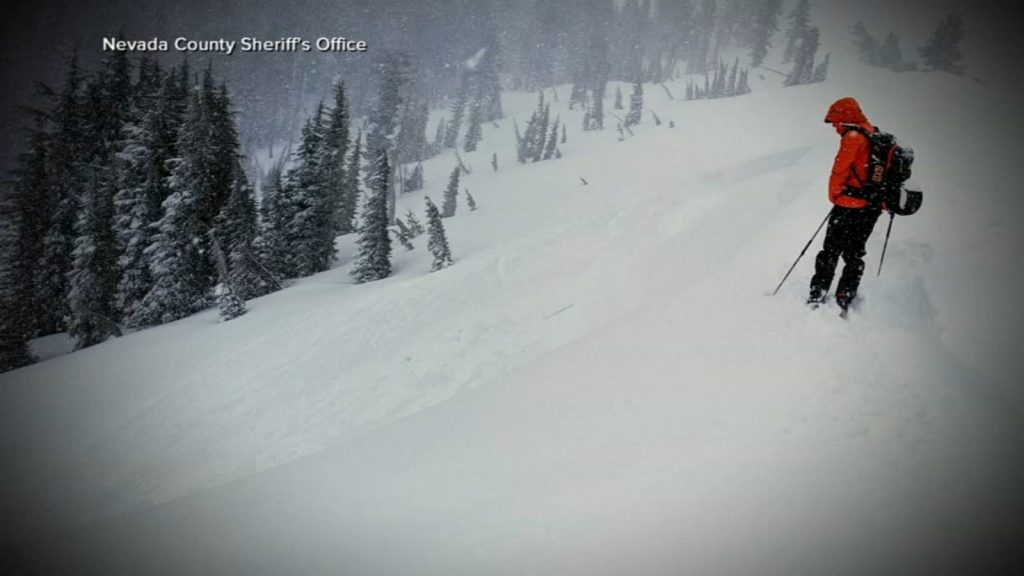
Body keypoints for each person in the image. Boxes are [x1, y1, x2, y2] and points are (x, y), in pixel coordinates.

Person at [808, 97, 885, 311]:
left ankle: (818, 292)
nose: (834, 127)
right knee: (855, 252)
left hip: (850, 205)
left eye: (835, 122)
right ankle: (845, 293)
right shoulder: (873, 133)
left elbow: (839, 171)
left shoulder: (852, 137)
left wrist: (836, 198)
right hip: (872, 206)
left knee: (830, 250)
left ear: (844, 117)